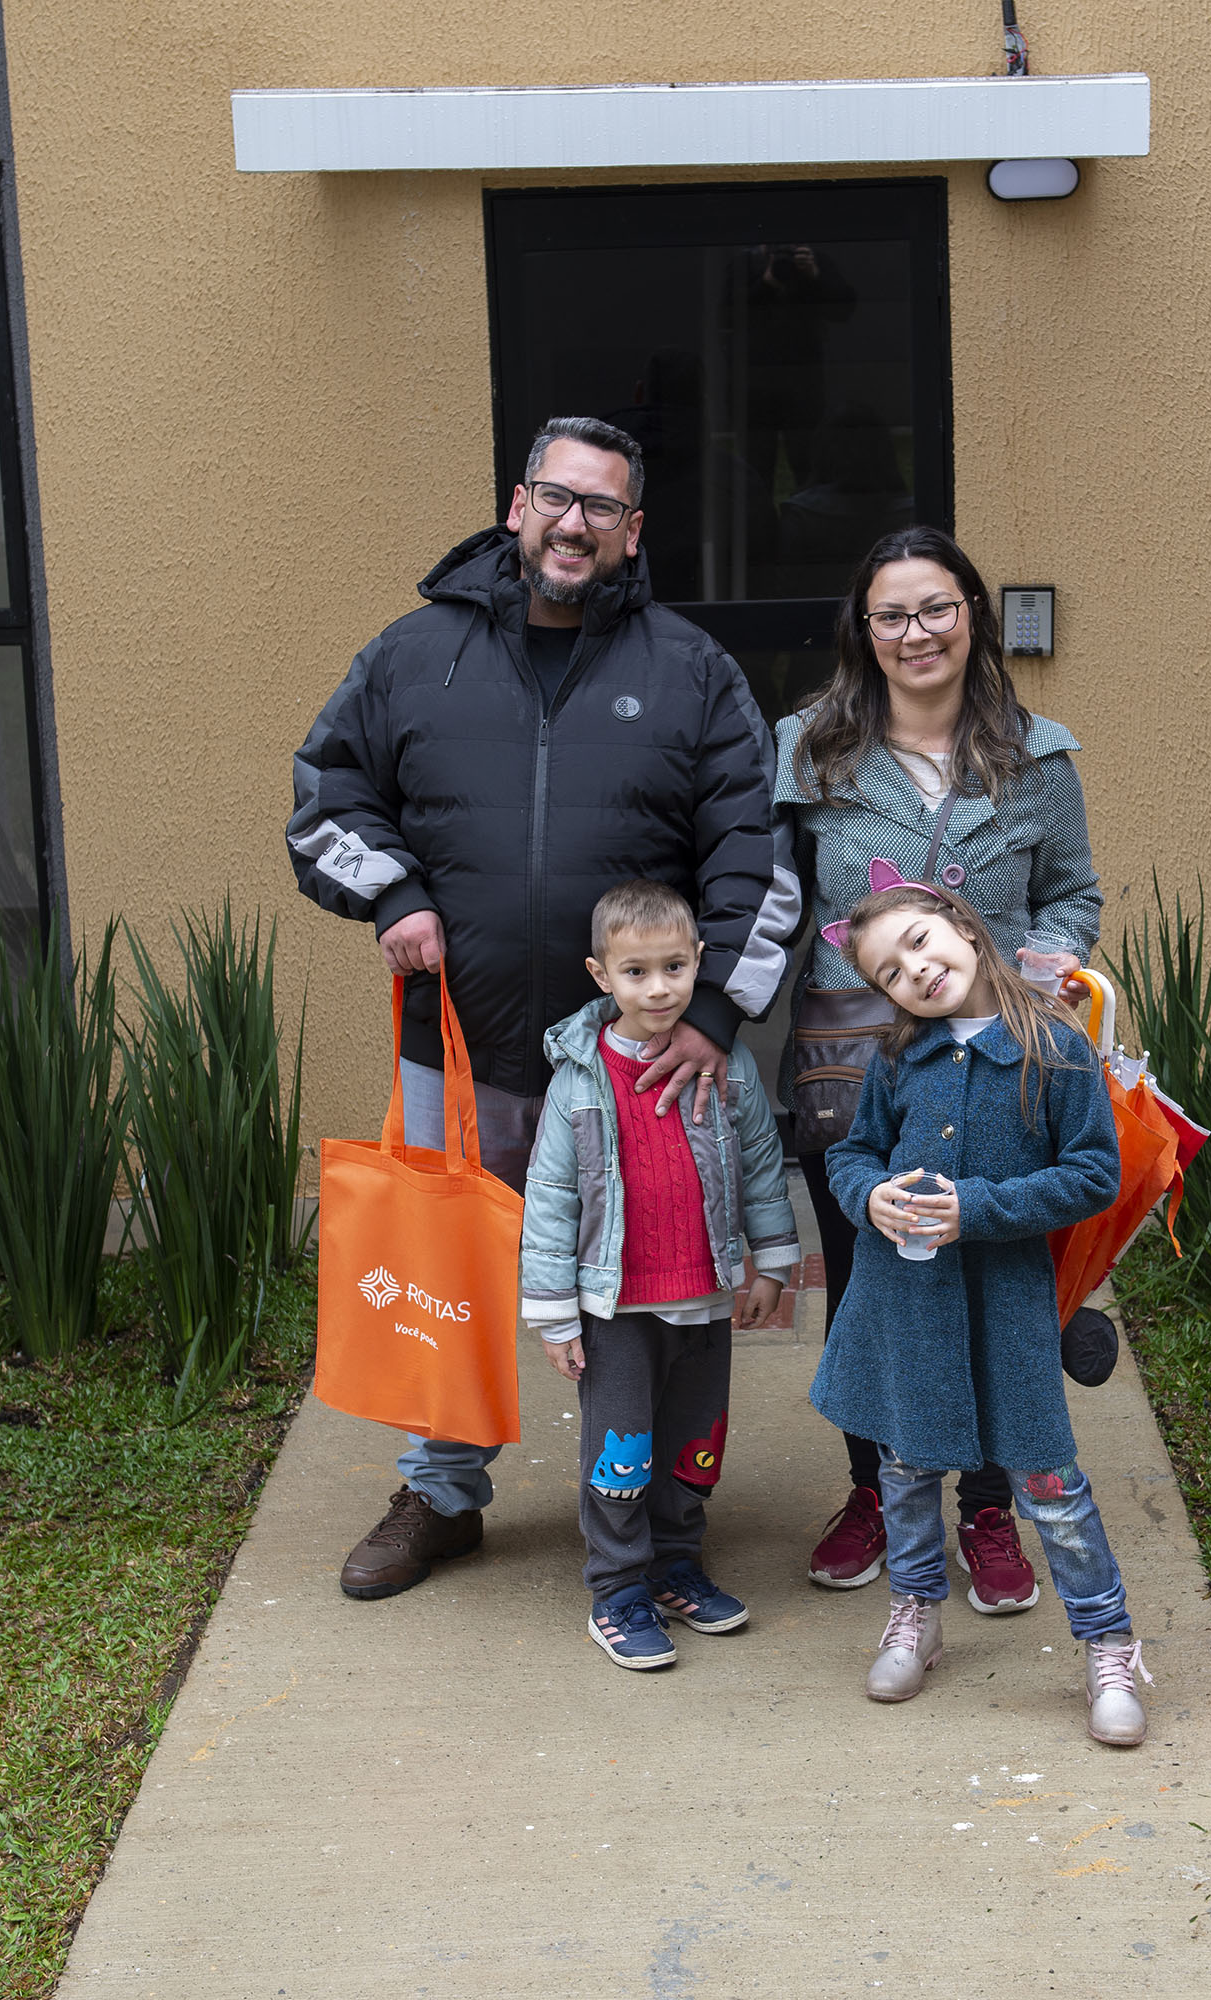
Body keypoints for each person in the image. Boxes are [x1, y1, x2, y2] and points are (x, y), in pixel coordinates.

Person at [288, 415, 798, 1602]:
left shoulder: (692, 671)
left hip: (638, 1064)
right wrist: (397, 893)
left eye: (603, 508)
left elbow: (755, 858)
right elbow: (325, 800)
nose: (576, 525)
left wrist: (715, 1019)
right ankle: (441, 1492)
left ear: (633, 532)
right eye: (557, 499)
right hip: (456, 1048)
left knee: (650, 1291)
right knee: (441, 1272)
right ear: (518, 505)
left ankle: (663, 1514)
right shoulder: (414, 653)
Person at [774, 525, 1105, 1609]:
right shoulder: (809, 752)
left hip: (998, 1059)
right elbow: (769, 900)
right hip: (855, 1065)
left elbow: (1072, 891)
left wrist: (1054, 950)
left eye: (937, 607)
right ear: (862, 632)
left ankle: (991, 1507)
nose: (916, 632)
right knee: (874, 1280)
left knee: (1000, 1283)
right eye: (892, 614)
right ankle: (875, 1487)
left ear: (973, 615)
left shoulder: (1038, 758)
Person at [812, 880, 1150, 1747]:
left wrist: (978, 1210)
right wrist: (868, 1198)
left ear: (964, 926)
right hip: (907, 1303)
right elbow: (850, 1154)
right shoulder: (895, 1060)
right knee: (907, 1468)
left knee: (1049, 1482)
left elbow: (1091, 1176)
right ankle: (915, 1612)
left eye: (924, 942)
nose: (918, 970)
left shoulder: (1058, 1052)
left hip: (1005, 1306)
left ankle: (1108, 1640)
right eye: (891, 971)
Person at [521, 881, 801, 1670]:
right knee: (623, 1449)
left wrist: (770, 1264)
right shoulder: (579, 1074)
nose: (658, 987)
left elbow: (757, 1168)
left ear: (699, 964)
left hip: (706, 1296)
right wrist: (553, 1314)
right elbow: (549, 1197)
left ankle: (677, 1562)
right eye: (636, 972)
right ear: (601, 975)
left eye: (674, 967)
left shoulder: (728, 1063)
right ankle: (617, 1589)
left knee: (694, 1444)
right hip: (616, 1308)